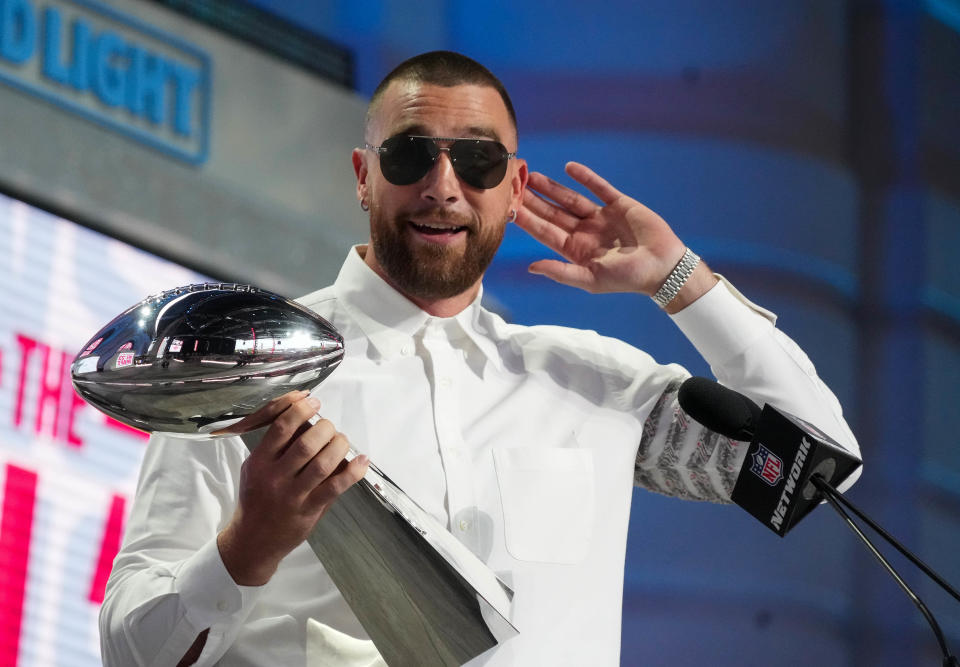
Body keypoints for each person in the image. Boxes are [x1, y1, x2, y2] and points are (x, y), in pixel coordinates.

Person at [99, 51, 860, 666]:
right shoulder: (256, 369)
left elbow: (821, 466)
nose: (443, 186)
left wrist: (680, 278)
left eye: (477, 161)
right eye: (410, 156)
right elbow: (130, 649)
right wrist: (249, 545)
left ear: (515, 185)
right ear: (364, 175)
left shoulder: (590, 383)